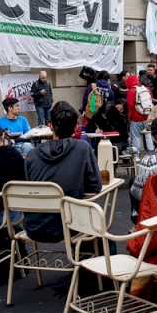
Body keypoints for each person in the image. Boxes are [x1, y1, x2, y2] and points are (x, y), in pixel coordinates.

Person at [23, 102, 103, 242]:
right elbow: (95, 186)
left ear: (50, 126)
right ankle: (84, 260)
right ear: (75, 127)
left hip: (34, 227)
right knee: (99, 228)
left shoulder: (32, 155)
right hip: (70, 225)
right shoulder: (82, 149)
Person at [125, 74, 150, 153]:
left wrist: (129, 118)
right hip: (147, 117)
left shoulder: (131, 91)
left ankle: (137, 157)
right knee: (148, 137)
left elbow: (130, 106)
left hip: (135, 119)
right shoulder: (145, 89)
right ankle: (150, 154)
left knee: (136, 138)